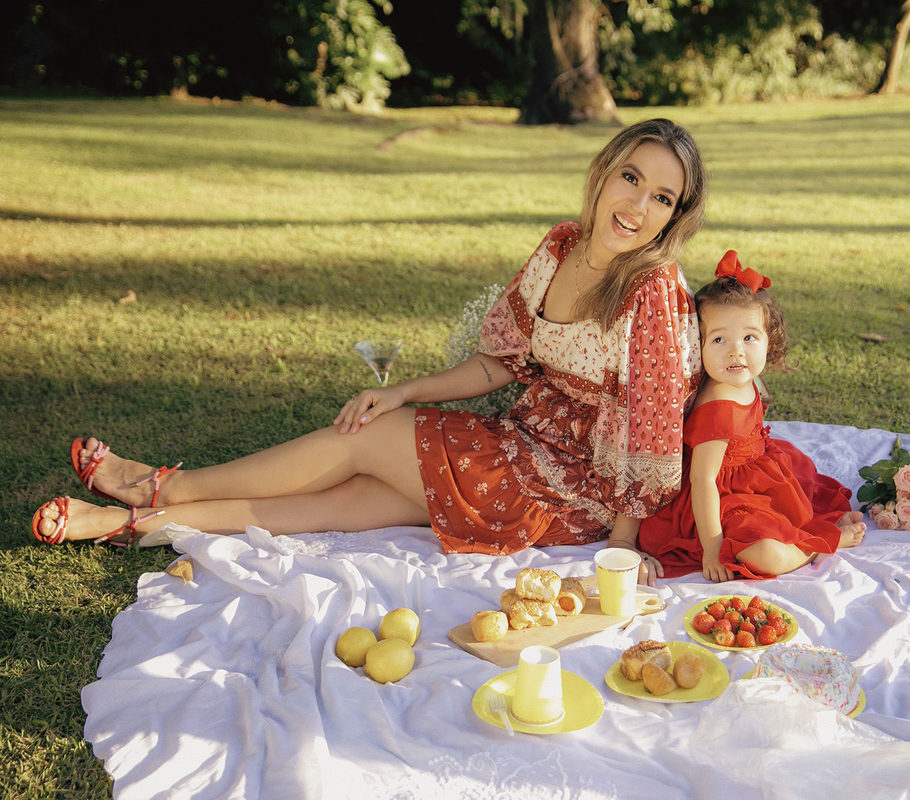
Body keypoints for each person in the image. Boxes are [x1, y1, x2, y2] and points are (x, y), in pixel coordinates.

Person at [32, 119, 707, 575]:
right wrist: (404, 389)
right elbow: (499, 361)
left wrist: (620, 549)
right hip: (523, 446)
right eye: (630, 179)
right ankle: (132, 524)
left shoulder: (652, 291)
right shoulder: (562, 245)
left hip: (570, 492)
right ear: (603, 171)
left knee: (363, 443)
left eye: (662, 198)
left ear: (675, 217)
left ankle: (165, 484)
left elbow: (650, 433)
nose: (638, 205)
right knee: (337, 502)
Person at [635, 251, 865, 582]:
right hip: (719, 499)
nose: (736, 350)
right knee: (766, 555)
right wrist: (713, 547)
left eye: (749, 337)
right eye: (718, 339)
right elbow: (703, 481)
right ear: (696, 345)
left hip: (754, 476)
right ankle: (818, 544)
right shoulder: (718, 407)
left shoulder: (744, 377)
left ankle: (813, 528)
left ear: (769, 340)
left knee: (803, 486)